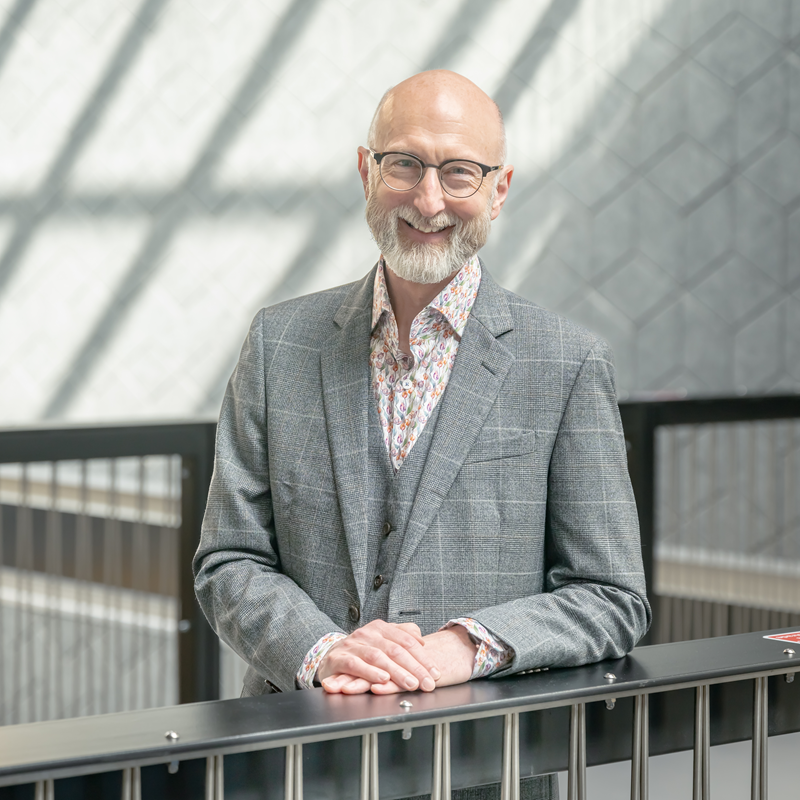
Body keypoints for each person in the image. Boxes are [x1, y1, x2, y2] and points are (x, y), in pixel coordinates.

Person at [194, 69, 650, 799]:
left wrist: (462, 647)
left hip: (483, 772)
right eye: (404, 164)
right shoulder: (279, 343)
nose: (428, 199)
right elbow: (229, 559)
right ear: (365, 172)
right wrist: (325, 650)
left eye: (459, 172)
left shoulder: (565, 364)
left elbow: (610, 595)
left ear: (498, 191)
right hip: (295, 766)